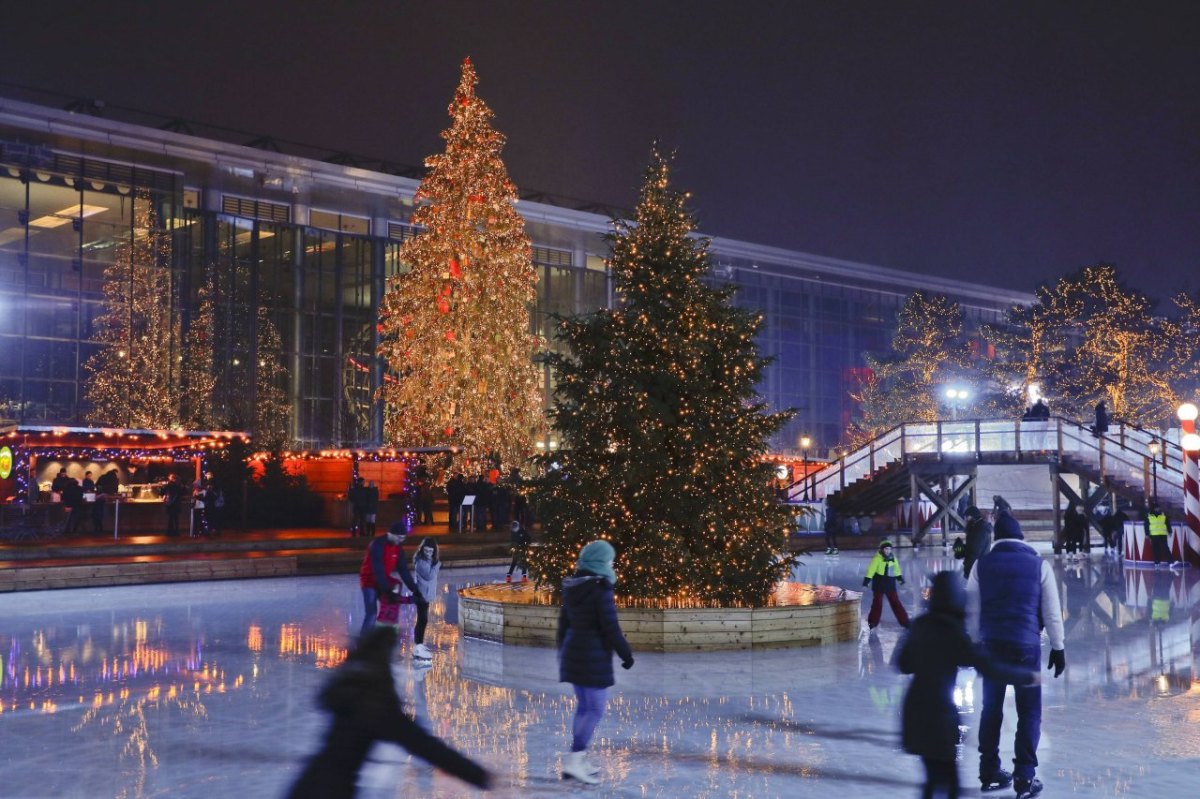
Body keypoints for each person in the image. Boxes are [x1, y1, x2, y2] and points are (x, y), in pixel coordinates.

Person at [284, 626, 490, 798]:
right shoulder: (373, 701)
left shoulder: (349, 685)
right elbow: (422, 744)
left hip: (307, 783)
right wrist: (479, 775)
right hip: (331, 792)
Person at [897, 571, 1038, 799]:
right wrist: (1027, 677)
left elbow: (903, 664)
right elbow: (989, 667)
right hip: (939, 717)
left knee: (933, 779)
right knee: (948, 783)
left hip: (914, 714)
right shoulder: (952, 632)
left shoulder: (920, 625)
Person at [966, 510, 1065, 799]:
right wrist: (1058, 648)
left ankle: (988, 771)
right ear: (1022, 538)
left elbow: (971, 610)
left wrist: (973, 645)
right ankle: (1025, 776)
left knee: (991, 710)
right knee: (1030, 711)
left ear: (996, 539)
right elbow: (1051, 610)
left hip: (991, 647)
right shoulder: (1038, 565)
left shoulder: (981, 565)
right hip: (1026, 646)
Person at [556, 540, 634, 784]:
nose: (612, 564)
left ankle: (576, 760)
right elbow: (611, 627)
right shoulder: (600, 589)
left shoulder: (574, 585)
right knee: (595, 709)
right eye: (610, 560)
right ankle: (576, 758)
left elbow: (563, 622)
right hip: (592, 655)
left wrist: (562, 652)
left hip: (574, 652)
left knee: (584, 707)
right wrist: (626, 654)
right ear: (601, 562)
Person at [358, 519, 426, 639]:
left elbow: (404, 571)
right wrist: (387, 591)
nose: (401, 541)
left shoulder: (398, 548)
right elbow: (378, 570)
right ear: (390, 534)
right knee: (372, 613)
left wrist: (416, 590)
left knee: (390, 610)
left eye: (403, 538)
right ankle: (363, 643)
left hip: (383, 580)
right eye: (399, 537)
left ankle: (383, 641)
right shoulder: (377, 545)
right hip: (369, 581)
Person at [862, 539, 910, 630]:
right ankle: (872, 622)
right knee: (877, 603)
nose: (888, 551)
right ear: (882, 549)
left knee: (895, 602)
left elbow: (896, 570)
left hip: (890, 584)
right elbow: (871, 571)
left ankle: (905, 621)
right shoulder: (877, 559)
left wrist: (900, 580)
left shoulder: (893, 558)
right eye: (886, 549)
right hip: (879, 584)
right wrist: (866, 582)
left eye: (889, 549)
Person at [410, 537, 441, 660]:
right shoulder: (421, 562)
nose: (428, 553)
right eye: (426, 551)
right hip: (421, 595)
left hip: (425, 594)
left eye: (430, 551)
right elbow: (430, 575)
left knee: (423, 620)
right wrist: (437, 565)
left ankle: (420, 644)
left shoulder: (428, 561)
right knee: (422, 620)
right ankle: (418, 646)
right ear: (422, 550)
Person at [962, 506, 992, 579]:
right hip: (978, 565)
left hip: (976, 567)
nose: (965, 519)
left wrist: (968, 569)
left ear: (972, 516)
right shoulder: (976, 526)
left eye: (967, 517)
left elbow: (975, 550)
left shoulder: (980, 528)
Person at [1144, 501, 1174, 567]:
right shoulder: (1149, 516)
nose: (1158, 509)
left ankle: (1171, 562)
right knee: (1155, 549)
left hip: (1162, 534)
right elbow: (1146, 525)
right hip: (1153, 535)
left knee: (1165, 548)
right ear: (1153, 509)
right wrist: (1147, 534)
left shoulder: (1163, 515)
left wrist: (1170, 531)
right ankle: (1156, 562)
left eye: (1158, 508)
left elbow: (1168, 524)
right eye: (1156, 508)